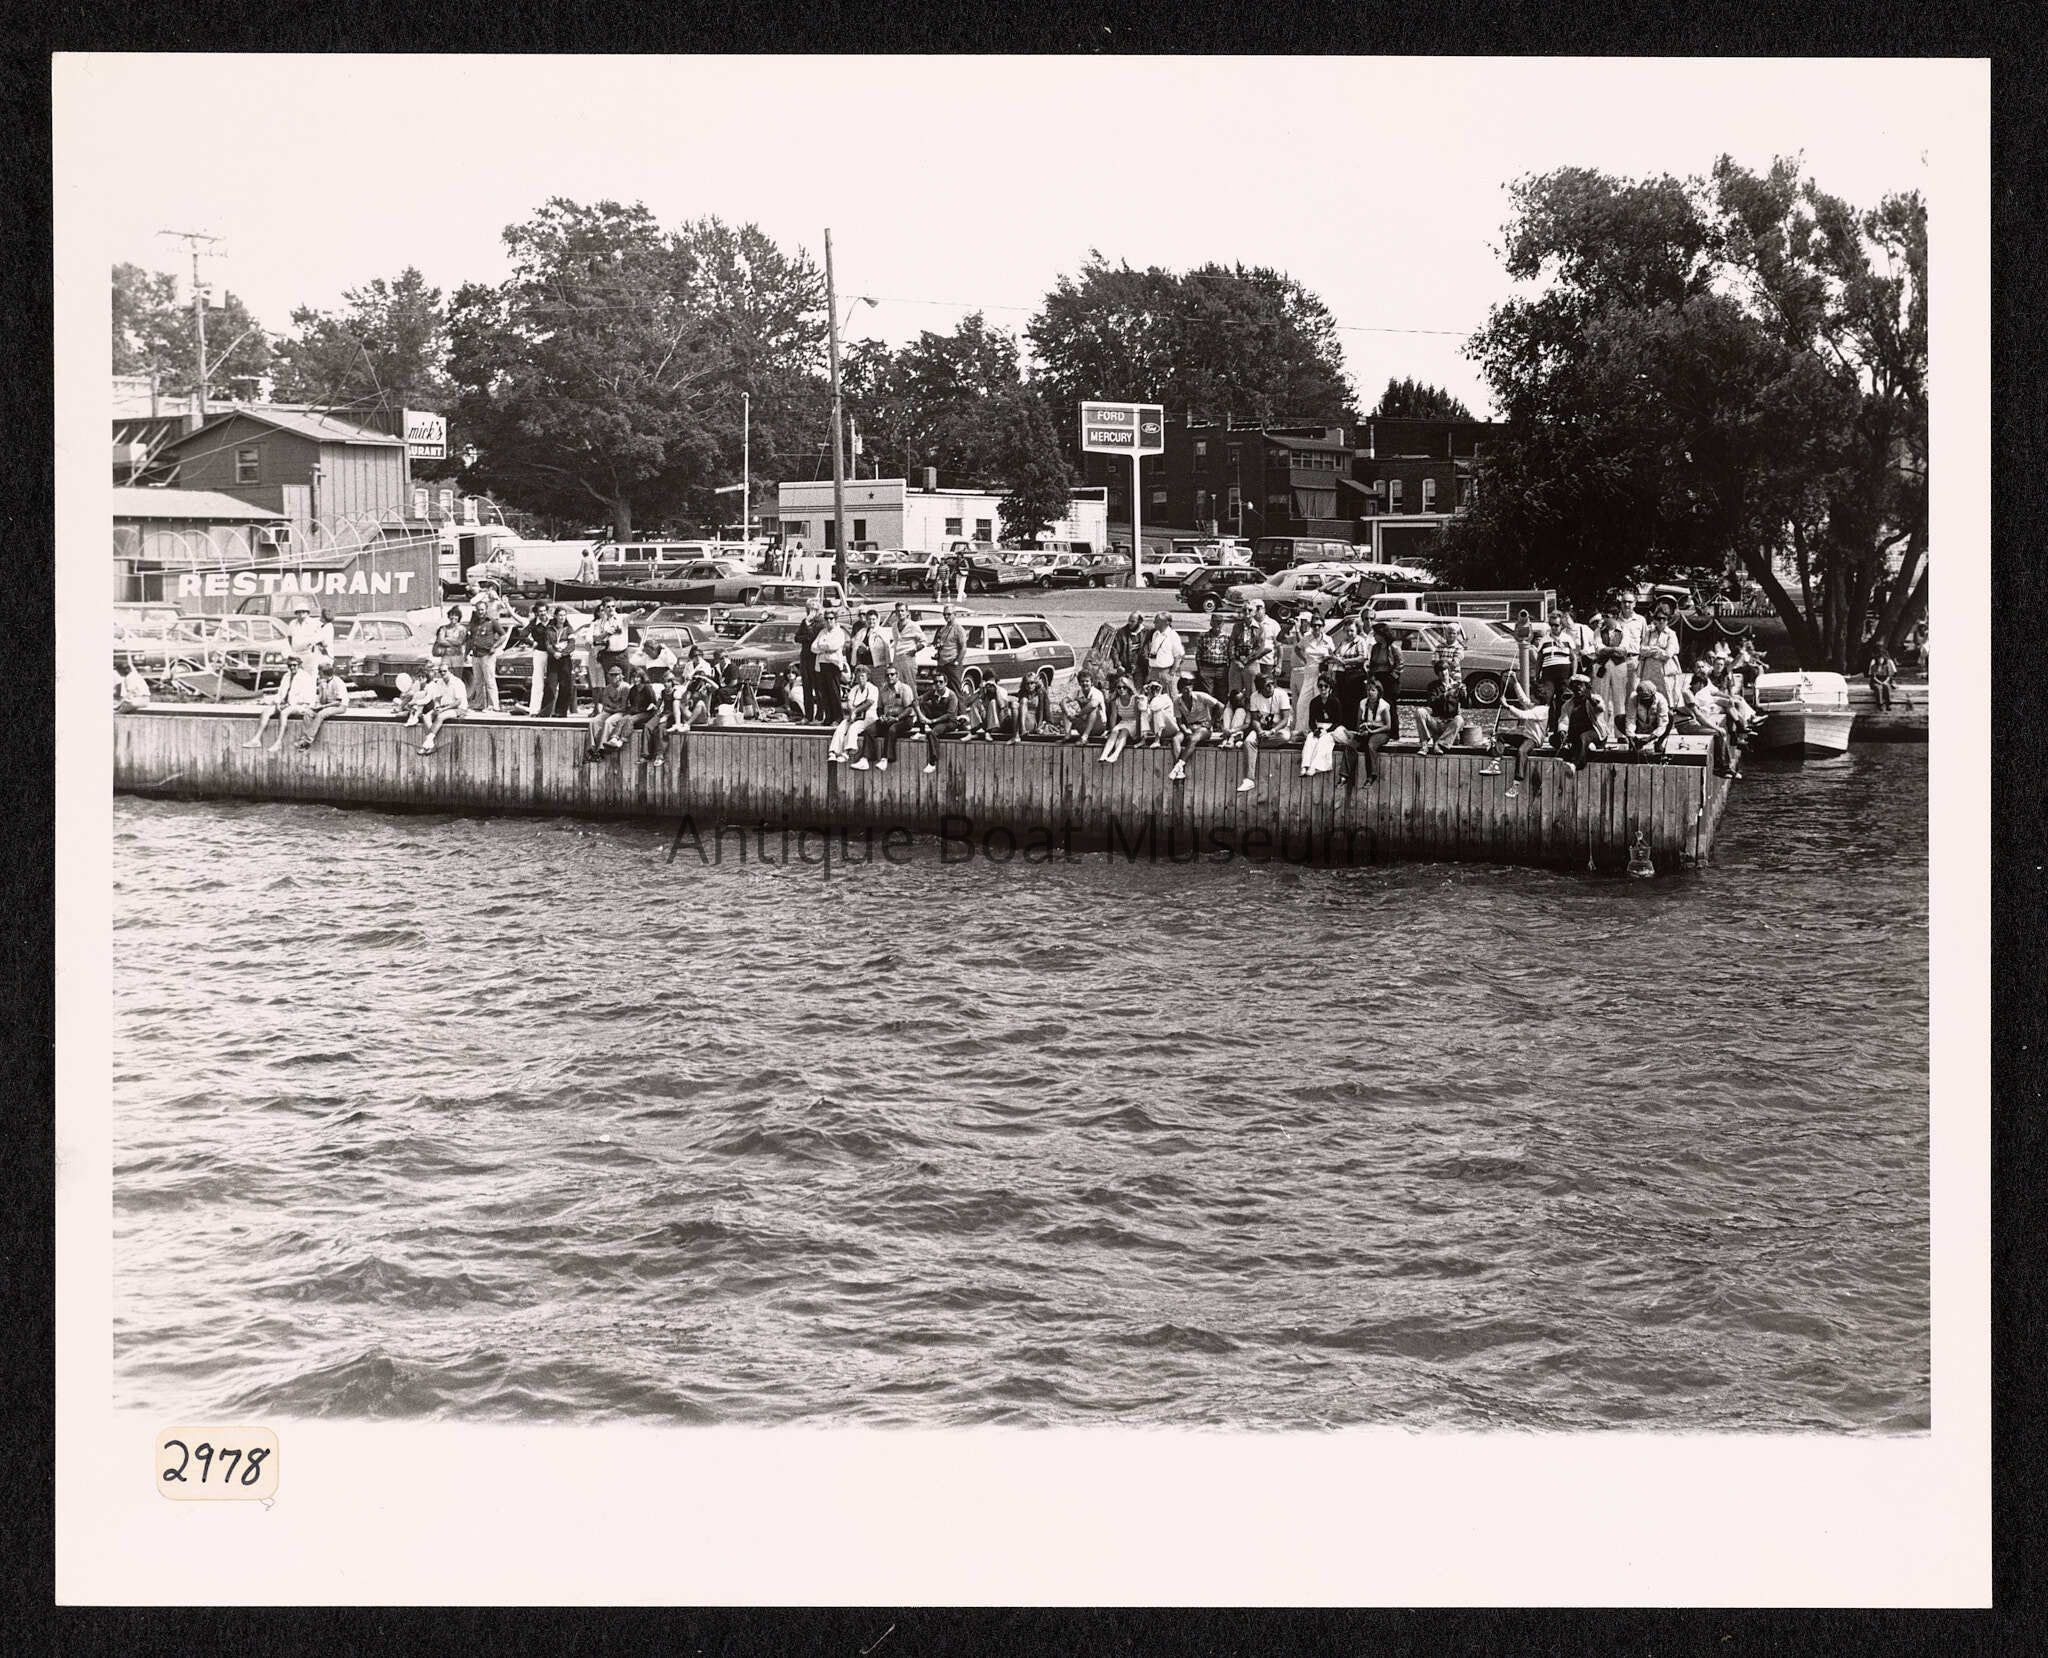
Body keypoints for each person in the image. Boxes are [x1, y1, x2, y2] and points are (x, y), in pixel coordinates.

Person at [1480, 669, 1548, 796]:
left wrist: (1507, 706)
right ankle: (1495, 763)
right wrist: (1515, 681)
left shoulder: (1542, 710)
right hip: (1526, 737)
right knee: (1500, 736)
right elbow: (1523, 699)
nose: (1531, 697)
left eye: (1533, 695)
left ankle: (1516, 784)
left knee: (1521, 751)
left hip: (1534, 740)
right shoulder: (1535, 705)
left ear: (1538, 698)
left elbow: (1523, 715)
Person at [1233, 670, 1294, 792]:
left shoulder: (1281, 694)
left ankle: (1250, 747)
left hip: (1278, 729)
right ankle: (1249, 779)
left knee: (1285, 737)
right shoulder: (1254, 696)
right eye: (1267, 685)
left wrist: (1272, 731)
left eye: (1272, 683)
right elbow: (1254, 720)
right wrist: (1260, 730)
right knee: (1249, 741)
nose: (1271, 687)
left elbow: (1285, 719)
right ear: (1260, 688)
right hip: (1262, 730)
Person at [851, 666, 920, 770]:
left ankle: (885, 759)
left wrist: (897, 719)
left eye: (892, 674)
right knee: (869, 730)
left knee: (892, 729)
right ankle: (865, 759)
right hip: (888, 718)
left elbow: (909, 709)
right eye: (887, 675)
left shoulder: (905, 688)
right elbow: (879, 708)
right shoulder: (883, 689)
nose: (890, 677)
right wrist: (881, 716)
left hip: (904, 719)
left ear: (897, 676)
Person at [242, 657, 319, 751]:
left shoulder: (305, 677)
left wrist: (289, 704)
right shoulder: (286, 676)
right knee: (266, 711)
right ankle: (256, 739)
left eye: (294, 665)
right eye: (289, 665)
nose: (292, 667)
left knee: (284, 713)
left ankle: (278, 742)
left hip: (301, 705)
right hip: (286, 704)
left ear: (299, 665)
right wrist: (278, 703)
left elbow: (307, 697)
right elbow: (280, 693)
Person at [1167, 676, 1227, 781]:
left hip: (1203, 727)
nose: (1188, 691)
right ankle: (1180, 771)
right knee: (1175, 739)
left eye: (1190, 688)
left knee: (1192, 739)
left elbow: (1221, 706)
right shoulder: (1177, 701)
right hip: (1189, 727)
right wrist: (1185, 730)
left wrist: (1211, 722)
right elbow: (1179, 722)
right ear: (1180, 690)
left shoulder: (1201, 696)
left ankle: (1177, 767)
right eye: (1185, 689)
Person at [1546, 671, 1607, 770]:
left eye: (1581, 685)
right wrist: (1562, 731)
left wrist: (1590, 698)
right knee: (1554, 739)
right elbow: (1564, 721)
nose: (1577, 687)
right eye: (1575, 685)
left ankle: (1576, 765)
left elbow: (1600, 708)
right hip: (1577, 733)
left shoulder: (1595, 699)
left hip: (1594, 733)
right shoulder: (1568, 704)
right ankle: (1583, 748)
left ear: (1587, 687)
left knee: (1584, 737)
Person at [464, 585, 509, 712]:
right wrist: (466, 654)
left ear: (486, 610)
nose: (480, 612)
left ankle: (494, 705)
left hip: (487, 655)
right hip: (475, 655)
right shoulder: (474, 623)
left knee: (489, 681)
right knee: (478, 682)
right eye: (478, 610)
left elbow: (503, 635)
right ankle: (479, 704)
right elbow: (470, 640)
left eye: (482, 610)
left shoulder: (492, 621)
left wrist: (495, 646)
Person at [292, 659, 354, 749]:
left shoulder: (338, 682)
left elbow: (338, 702)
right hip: (327, 705)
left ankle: (307, 740)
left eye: (320, 672)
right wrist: (323, 689)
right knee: (308, 713)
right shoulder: (323, 682)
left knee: (321, 714)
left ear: (325, 673)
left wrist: (323, 707)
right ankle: (305, 740)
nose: (318, 674)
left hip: (340, 706)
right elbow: (323, 701)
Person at [413, 661, 470, 756]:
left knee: (440, 717)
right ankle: (431, 745)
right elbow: (437, 698)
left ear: (450, 671)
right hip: (444, 707)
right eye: (440, 671)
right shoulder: (440, 682)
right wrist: (436, 705)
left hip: (459, 708)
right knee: (426, 716)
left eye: (444, 671)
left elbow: (458, 702)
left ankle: (426, 744)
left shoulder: (457, 682)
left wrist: (443, 709)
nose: (442, 673)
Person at [828, 664, 880, 762]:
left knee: (853, 727)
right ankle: (833, 752)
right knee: (841, 726)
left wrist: (855, 711)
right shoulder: (854, 689)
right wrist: (852, 712)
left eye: (862, 676)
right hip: (855, 717)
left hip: (869, 718)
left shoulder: (873, 688)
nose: (860, 679)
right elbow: (849, 702)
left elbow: (869, 702)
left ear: (867, 677)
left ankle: (846, 752)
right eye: (858, 676)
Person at [584, 666, 635, 760]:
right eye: (611, 675)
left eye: (616, 675)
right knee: (594, 721)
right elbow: (605, 705)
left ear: (621, 676)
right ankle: (591, 748)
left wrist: (612, 707)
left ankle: (601, 749)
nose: (613, 677)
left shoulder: (625, 687)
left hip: (622, 713)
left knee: (608, 722)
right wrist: (613, 708)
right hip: (611, 711)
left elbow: (623, 707)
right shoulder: (607, 688)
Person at [1293, 615, 1333, 733]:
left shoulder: (1328, 640)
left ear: (1323, 626)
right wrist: (1304, 660)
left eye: (1319, 625)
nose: (1316, 628)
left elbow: (1332, 655)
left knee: (1319, 702)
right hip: (1308, 674)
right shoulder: (1306, 638)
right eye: (1314, 625)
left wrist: (1326, 664)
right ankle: (1302, 729)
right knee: (1302, 703)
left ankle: (1319, 729)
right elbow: (1297, 649)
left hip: (1322, 675)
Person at [1415, 660, 1464, 756]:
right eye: (1440, 671)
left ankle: (1440, 744)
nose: (1443, 673)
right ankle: (1424, 744)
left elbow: (1467, 704)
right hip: (1436, 721)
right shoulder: (1433, 686)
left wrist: (1464, 694)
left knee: (1459, 719)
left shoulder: (1456, 685)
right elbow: (1431, 702)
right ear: (1437, 674)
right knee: (1420, 711)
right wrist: (1445, 695)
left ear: (1449, 671)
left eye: (1445, 670)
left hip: (1449, 724)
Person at [1620, 677, 1676, 761]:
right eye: (1642, 700)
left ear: (1653, 696)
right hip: (1639, 724)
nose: (1645, 702)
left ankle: (1658, 743)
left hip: (1654, 725)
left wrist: (1650, 738)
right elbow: (1630, 719)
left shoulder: (1661, 699)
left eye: (1647, 700)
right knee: (1619, 719)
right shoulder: (1633, 698)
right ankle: (1633, 744)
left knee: (1670, 716)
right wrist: (1631, 736)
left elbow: (1663, 723)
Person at [1639, 603, 1683, 706]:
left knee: (1667, 697)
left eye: (1664, 618)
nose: (1661, 621)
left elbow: (1668, 654)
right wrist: (1657, 650)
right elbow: (1642, 649)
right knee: (1648, 695)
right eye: (1659, 618)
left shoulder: (1671, 634)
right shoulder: (1649, 633)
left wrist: (1652, 651)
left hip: (1664, 671)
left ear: (1668, 620)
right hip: (1649, 671)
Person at [812, 608, 849, 724]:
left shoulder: (839, 632)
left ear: (835, 619)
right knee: (825, 692)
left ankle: (838, 717)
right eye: (826, 619)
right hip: (822, 664)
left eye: (831, 618)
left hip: (833, 664)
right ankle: (828, 717)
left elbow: (834, 646)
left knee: (834, 692)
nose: (828, 621)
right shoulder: (822, 632)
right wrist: (825, 648)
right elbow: (813, 647)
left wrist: (822, 646)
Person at [1099, 675, 1142, 763]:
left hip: (1134, 722)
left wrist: (1138, 733)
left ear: (1128, 688)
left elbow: (1138, 717)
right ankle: (1104, 754)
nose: (1121, 689)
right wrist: (1112, 730)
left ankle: (1115, 754)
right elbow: (1113, 716)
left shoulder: (1134, 699)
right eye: (1119, 687)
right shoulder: (1116, 701)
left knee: (1124, 731)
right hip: (1123, 722)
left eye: (1124, 687)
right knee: (1115, 731)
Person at [793, 599, 825, 719]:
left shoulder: (821, 622)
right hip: (805, 658)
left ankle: (820, 714)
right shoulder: (804, 621)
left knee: (818, 688)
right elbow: (797, 637)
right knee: (806, 687)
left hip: (816, 658)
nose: (811, 612)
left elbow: (813, 637)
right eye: (809, 609)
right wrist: (805, 635)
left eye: (814, 609)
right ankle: (808, 715)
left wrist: (807, 626)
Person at [1534, 616, 1576, 706]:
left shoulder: (1567, 638)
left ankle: (1560, 715)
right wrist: (1536, 676)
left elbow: (1573, 658)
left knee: (1563, 701)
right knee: (1547, 698)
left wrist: (1573, 675)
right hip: (1548, 674)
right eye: (1551, 625)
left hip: (1564, 674)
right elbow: (1539, 660)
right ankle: (1549, 715)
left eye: (1556, 625)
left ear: (1561, 626)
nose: (1553, 627)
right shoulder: (1544, 640)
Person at [1192, 611, 1233, 701]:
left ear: (1222, 624)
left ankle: (1221, 709)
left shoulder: (1227, 637)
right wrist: (1200, 669)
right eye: (1215, 622)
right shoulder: (1204, 636)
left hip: (1222, 668)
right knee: (1208, 694)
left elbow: (1230, 654)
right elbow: (1198, 654)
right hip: (1207, 667)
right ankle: (1209, 710)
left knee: (1222, 694)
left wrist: (1228, 669)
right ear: (1211, 623)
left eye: (1219, 623)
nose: (1217, 625)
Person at [932, 606, 968, 702]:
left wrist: (957, 662)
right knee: (942, 691)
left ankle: (962, 711)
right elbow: (940, 644)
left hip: (952, 664)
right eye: (944, 614)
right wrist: (938, 653)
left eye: (949, 614)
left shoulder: (958, 629)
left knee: (956, 690)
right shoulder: (943, 629)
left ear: (954, 615)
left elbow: (963, 648)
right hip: (942, 664)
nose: (946, 616)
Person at [432, 604, 469, 693]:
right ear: (449, 616)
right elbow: (440, 640)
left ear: (459, 617)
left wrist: (447, 639)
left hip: (457, 656)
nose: (453, 617)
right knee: (444, 677)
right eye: (452, 615)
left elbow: (460, 642)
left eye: (456, 615)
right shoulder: (444, 628)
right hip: (446, 656)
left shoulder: (462, 629)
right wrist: (453, 642)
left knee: (457, 679)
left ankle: (458, 696)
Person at [1065, 670, 1109, 746]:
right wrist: (1068, 712)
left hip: (1098, 727)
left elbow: (1093, 705)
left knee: (1093, 709)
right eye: (1082, 681)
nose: (1084, 683)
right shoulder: (1077, 692)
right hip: (1083, 725)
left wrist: (1078, 714)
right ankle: (1067, 735)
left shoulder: (1096, 692)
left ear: (1091, 683)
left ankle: (1084, 738)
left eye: (1087, 681)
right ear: (1079, 683)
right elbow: (1063, 702)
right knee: (1067, 707)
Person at [887, 603, 925, 689]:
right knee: (898, 686)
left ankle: (913, 698)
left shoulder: (913, 625)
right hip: (896, 659)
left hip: (908, 658)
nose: (900, 613)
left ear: (907, 612)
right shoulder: (894, 626)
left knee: (910, 686)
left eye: (902, 611)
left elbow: (923, 641)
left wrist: (914, 650)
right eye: (898, 611)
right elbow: (896, 642)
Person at [1145, 611, 1186, 687]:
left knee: (1168, 693)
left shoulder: (1173, 635)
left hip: (1166, 671)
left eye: (1157, 621)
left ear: (1166, 622)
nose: (1154, 623)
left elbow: (1178, 656)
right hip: (1153, 671)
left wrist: (1172, 673)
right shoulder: (1155, 634)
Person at [1866, 641, 1899, 710]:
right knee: (1879, 687)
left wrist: (1885, 681)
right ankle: (1880, 704)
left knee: (1886, 686)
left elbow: (1890, 674)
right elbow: (1872, 675)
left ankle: (1888, 703)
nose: (1880, 660)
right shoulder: (1874, 664)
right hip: (1877, 680)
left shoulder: (1886, 663)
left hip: (1885, 679)